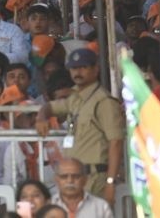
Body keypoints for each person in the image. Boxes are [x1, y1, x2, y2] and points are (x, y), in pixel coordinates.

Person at [36, 48, 124, 204]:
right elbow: (50, 107)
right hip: (75, 178)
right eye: (74, 68)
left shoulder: (104, 102)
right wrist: (41, 117)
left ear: (95, 69)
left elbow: (116, 143)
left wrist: (110, 183)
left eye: (83, 67)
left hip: (96, 178)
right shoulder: (75, 98)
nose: (78, 72)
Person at [49, 158, 113, 218]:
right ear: (56, 180)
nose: (70, 181)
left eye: (76, 176)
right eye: (64, 177)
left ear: (85, 179)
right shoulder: (48, 205)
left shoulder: (101, 206)